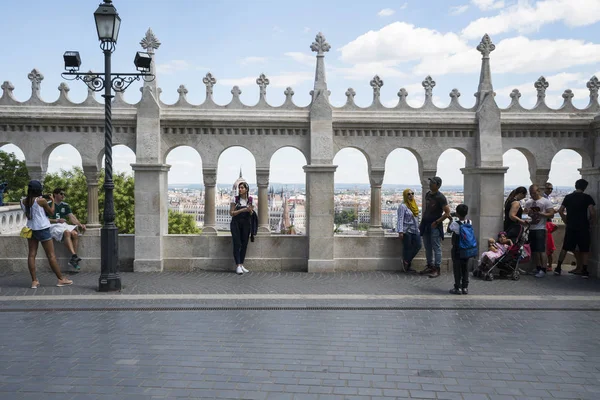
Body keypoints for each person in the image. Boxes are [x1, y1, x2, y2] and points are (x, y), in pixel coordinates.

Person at [20, 180, 73, 289]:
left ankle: (34, 281)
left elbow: (28, 213)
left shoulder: (22, 201)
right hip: (42, 228)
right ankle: (61, 279)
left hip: (30, 228)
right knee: (51, 255)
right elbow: (52, 212)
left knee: (31, 255)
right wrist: (52, 201)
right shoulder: (41, 201)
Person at [554, 179, 597, 278]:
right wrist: (590, 221)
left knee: (565, 247)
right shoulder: (587, 198)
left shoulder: (568, 197)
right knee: (584, 249)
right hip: (583, 227)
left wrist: (566, 221)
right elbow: (593, 212)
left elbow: (561, 211)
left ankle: (558, 268)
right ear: (585, 187)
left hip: (571, 226)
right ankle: (585, 270)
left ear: (575, 186)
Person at [418, 176, 451, 278]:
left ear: (437, 185)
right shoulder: (428, 195)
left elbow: (447, 213)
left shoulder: (441, 197)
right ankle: (430, 265)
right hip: (426, 223)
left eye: (432, 182)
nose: (430, 184)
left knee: (436, 247)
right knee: (427, 246)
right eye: (430, 182)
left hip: (434, 225)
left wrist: (437, 222)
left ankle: (437, 268)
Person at [47, 188, 86, 271]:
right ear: (55, 194)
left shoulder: (65, 205)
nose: (63, 196)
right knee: (67, 232)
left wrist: (80, 224)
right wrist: (57, 220)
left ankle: (73, 258)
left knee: (75, 234)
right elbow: (44, 219)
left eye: (64, 194)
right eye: (61, 194)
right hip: (53, 226)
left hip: (63, 225)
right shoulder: (48, 204)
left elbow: (72, 218)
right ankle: (74, 256)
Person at [524, 184, 555, 278]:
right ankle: (537, 268)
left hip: (540, 228)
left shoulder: (546, 202)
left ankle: (543, 269)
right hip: (532, 228)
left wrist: (541, 214)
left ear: (538, 191)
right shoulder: (529, 202)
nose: (532, 195)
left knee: (541, 250)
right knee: (534, 251)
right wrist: (529, 212)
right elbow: (526, 211)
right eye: (531, 193)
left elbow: (551, 214)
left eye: (533, 193)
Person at [447, 204, 474, 294]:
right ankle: (465, 287)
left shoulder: (455, 224)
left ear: (457, 213)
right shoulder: (469, 222)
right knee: (465, 268)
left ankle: (457, 287)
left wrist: (451, 220)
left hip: (457, 249)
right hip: (467, 249)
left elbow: (449, 230)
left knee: (457, 268)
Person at [230, 181, 254, 275]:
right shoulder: (235, 199)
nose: (240, 189)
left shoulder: (251, 200)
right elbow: (231, 213)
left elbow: (251, 213)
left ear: (246, 189)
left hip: (246, 224)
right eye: (239, 188)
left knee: (244, 244)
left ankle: (241, 264)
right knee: (237, 243)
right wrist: (243, 209)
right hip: (236, 223)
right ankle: (238, 265)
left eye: (242, 188)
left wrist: (250, 211)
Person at [397, 188, 421, 273]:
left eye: (412, 193)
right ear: (405, 196)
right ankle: (407, 265)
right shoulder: (403, 206)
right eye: (408, 194)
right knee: (407, 248)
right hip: (406, 230)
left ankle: (406, 261)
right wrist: (400, 231)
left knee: (418, 245)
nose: (411, 195)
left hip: (415, 229)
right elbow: (400, 219)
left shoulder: (414, 205)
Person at [542, 182, 557, 271]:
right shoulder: (544, 198)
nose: (550, 190)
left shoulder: (546, 198)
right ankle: (548, 265)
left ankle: (547, 265)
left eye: (551, 188)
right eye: (548, 188)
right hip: (546, 224)